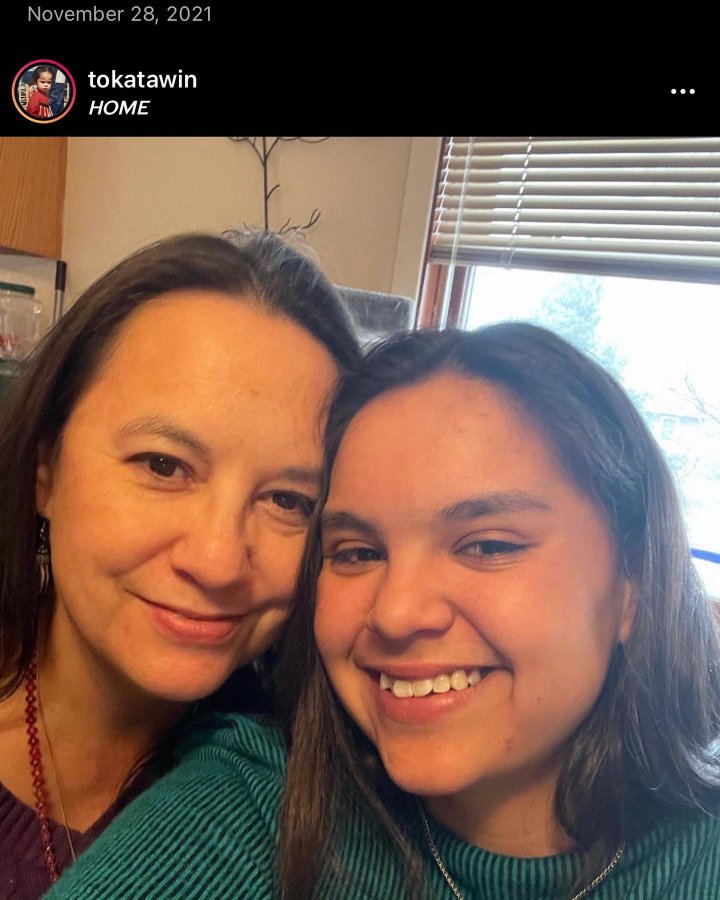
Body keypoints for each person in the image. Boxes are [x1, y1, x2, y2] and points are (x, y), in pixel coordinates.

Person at [47, 324, 720, 899]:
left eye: (486, 545)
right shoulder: (254, 812)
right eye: (357, 552)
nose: (396, 614)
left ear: (632, 582)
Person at [0, 230, 360, 897]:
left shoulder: (306, 801)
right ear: (45, 469)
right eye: (163, 465)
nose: (219, 561)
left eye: (289, 500)